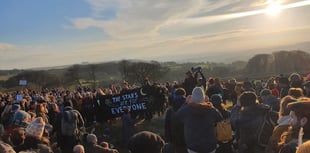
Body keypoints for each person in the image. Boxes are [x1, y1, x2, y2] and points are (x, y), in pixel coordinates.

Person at [176, 87, 222, 153]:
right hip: (210, 146)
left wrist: (186, 103)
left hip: (193, 146)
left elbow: (177, 116)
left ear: (192, 98)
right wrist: (208, 102)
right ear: (203, 97)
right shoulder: (211, 109)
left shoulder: (186, 110)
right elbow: (220, 118)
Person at [164, 88, 187, 153]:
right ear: (184, 95)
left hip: (174, 139)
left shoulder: (170, 110)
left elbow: (167, 126)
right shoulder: (189, 107)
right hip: (187, 139)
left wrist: (168, 140)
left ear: (175, 95)